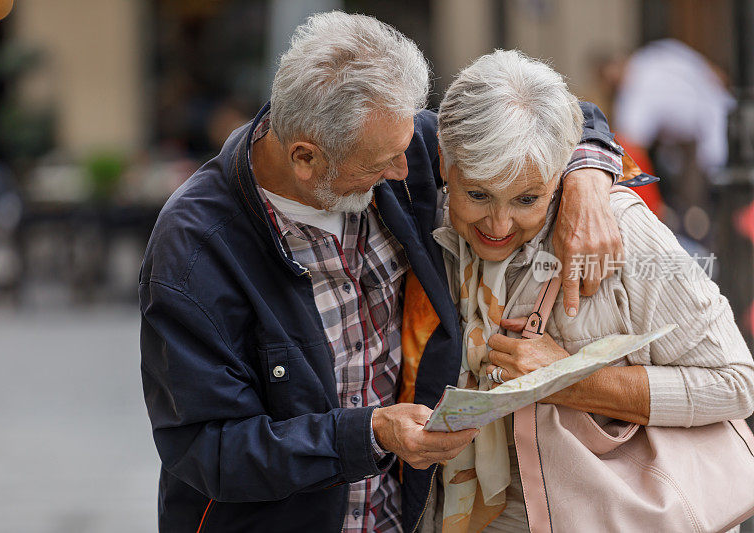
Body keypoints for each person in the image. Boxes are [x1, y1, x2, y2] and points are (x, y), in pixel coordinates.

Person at [139, 13, 626, 532]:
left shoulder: (392, 140)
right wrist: (367, 435)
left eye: (406, 147)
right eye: (382, 164)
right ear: (306, 158)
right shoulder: (194, 247)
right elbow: (207, 448)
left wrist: (587, 178)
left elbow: (551, 118)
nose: (406, 168)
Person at [404, 49, 754, 532]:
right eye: (478, 195)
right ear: (446, 164)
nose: (499, 224)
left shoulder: (619, 229)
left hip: (613, 514)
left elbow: (736, 383)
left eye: (528, 199)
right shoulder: (423, 219)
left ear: (558, 173)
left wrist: (566, 378)